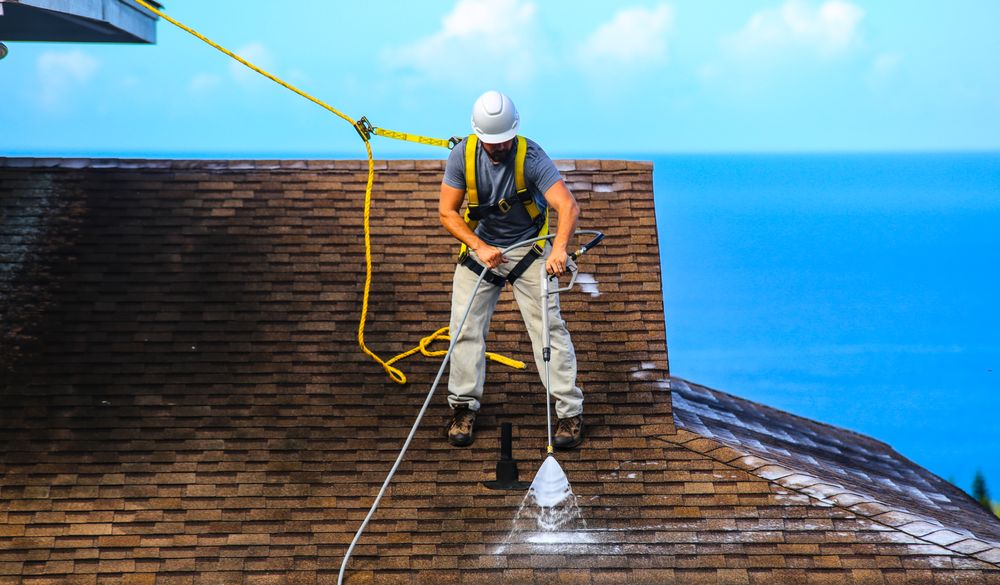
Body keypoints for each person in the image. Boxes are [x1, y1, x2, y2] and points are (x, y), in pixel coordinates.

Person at [439, 90, 584, 449]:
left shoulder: (531, 157)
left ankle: (569, 413)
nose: (499, 147)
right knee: (463, 328)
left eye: (505, 140)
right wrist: (479, 246)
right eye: (492, 142)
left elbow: (567, 206)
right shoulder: (462, 157)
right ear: (478, 135)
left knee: (549, 329)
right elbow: (447, 212)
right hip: (482, 250)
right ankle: (462, 408)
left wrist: (560, 249)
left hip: (529, 250)